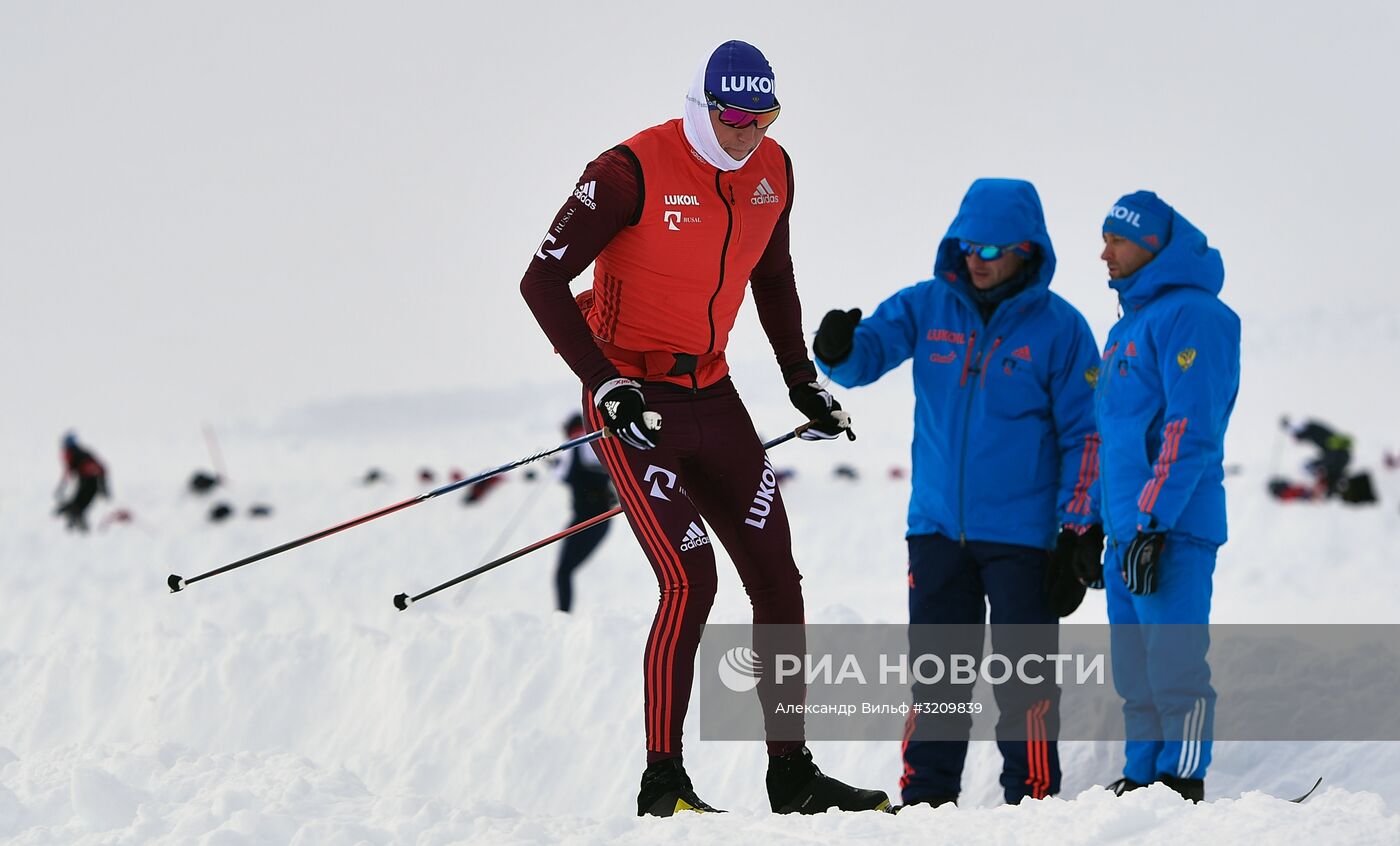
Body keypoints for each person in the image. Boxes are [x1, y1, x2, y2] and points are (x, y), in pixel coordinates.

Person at [519, 40, 887, 817]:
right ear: (702, 107)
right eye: (734, 119)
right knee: (691, 579)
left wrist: (800, 380)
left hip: (713, 395)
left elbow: (774, 273)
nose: (748, 134)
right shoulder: (629, 171)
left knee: (778, 579)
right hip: (633, 400)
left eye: (764, 118)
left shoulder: (774, 171)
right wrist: (605, 381)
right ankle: (664, 783)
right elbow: (542, 278)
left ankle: (792, 775)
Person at [813, 178, 1103, 807]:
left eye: (992, 249)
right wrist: (836, 351)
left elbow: (1088, 435)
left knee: (1025, 681)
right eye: (967, 245)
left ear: (1027, 250)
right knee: (937, 679)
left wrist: (1078, 529)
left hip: (1025, 539)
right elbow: (863, 358)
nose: (976, 258)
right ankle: (925, 802)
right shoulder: (927, 306)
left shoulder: (1061, 329)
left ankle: (1031, 803)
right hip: (937, 529)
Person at [1091, 191, 1240, 803]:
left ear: (1153, 245)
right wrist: (1099, 526)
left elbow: (1190, 427)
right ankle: (1143, 778)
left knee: (1176, 667)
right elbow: (1114, 438)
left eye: (1117, 240)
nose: (1104, 254)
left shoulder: (1197, 316)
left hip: (1172, 529)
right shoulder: (1127, 325)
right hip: (1129, 532)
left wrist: (1153, 521)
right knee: (1136, 674)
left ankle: (1182, 778)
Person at [554, 412, 617, 612]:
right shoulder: (600, 443)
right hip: (604, 519)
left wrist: (555, 465)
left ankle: (563, 616)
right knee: (568, 570)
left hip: (584, 518)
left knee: (563, 572)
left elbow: (562, 475)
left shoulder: (573, 444)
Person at [1272, 417, 1353, 500]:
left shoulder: (1311, 428)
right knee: (1320, 470)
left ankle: (1325, 493)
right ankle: (1329, 491)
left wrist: (1288, 426)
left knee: (1310, 468)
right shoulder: (1320, 435)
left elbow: (1299, 427)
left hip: (1337, 458)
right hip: (1340, 458)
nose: (1296, 439)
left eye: (1296, 437)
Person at [54, 431, 109, 532]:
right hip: (89, 479)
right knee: (82, 500)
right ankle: (74, 520)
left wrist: (103, 487)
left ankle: (72, 517)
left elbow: (98, 468)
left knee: (81, 499)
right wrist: (103, 486)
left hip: (90, 478)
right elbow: (101, 468)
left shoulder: (74, 453)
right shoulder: (77, 452)